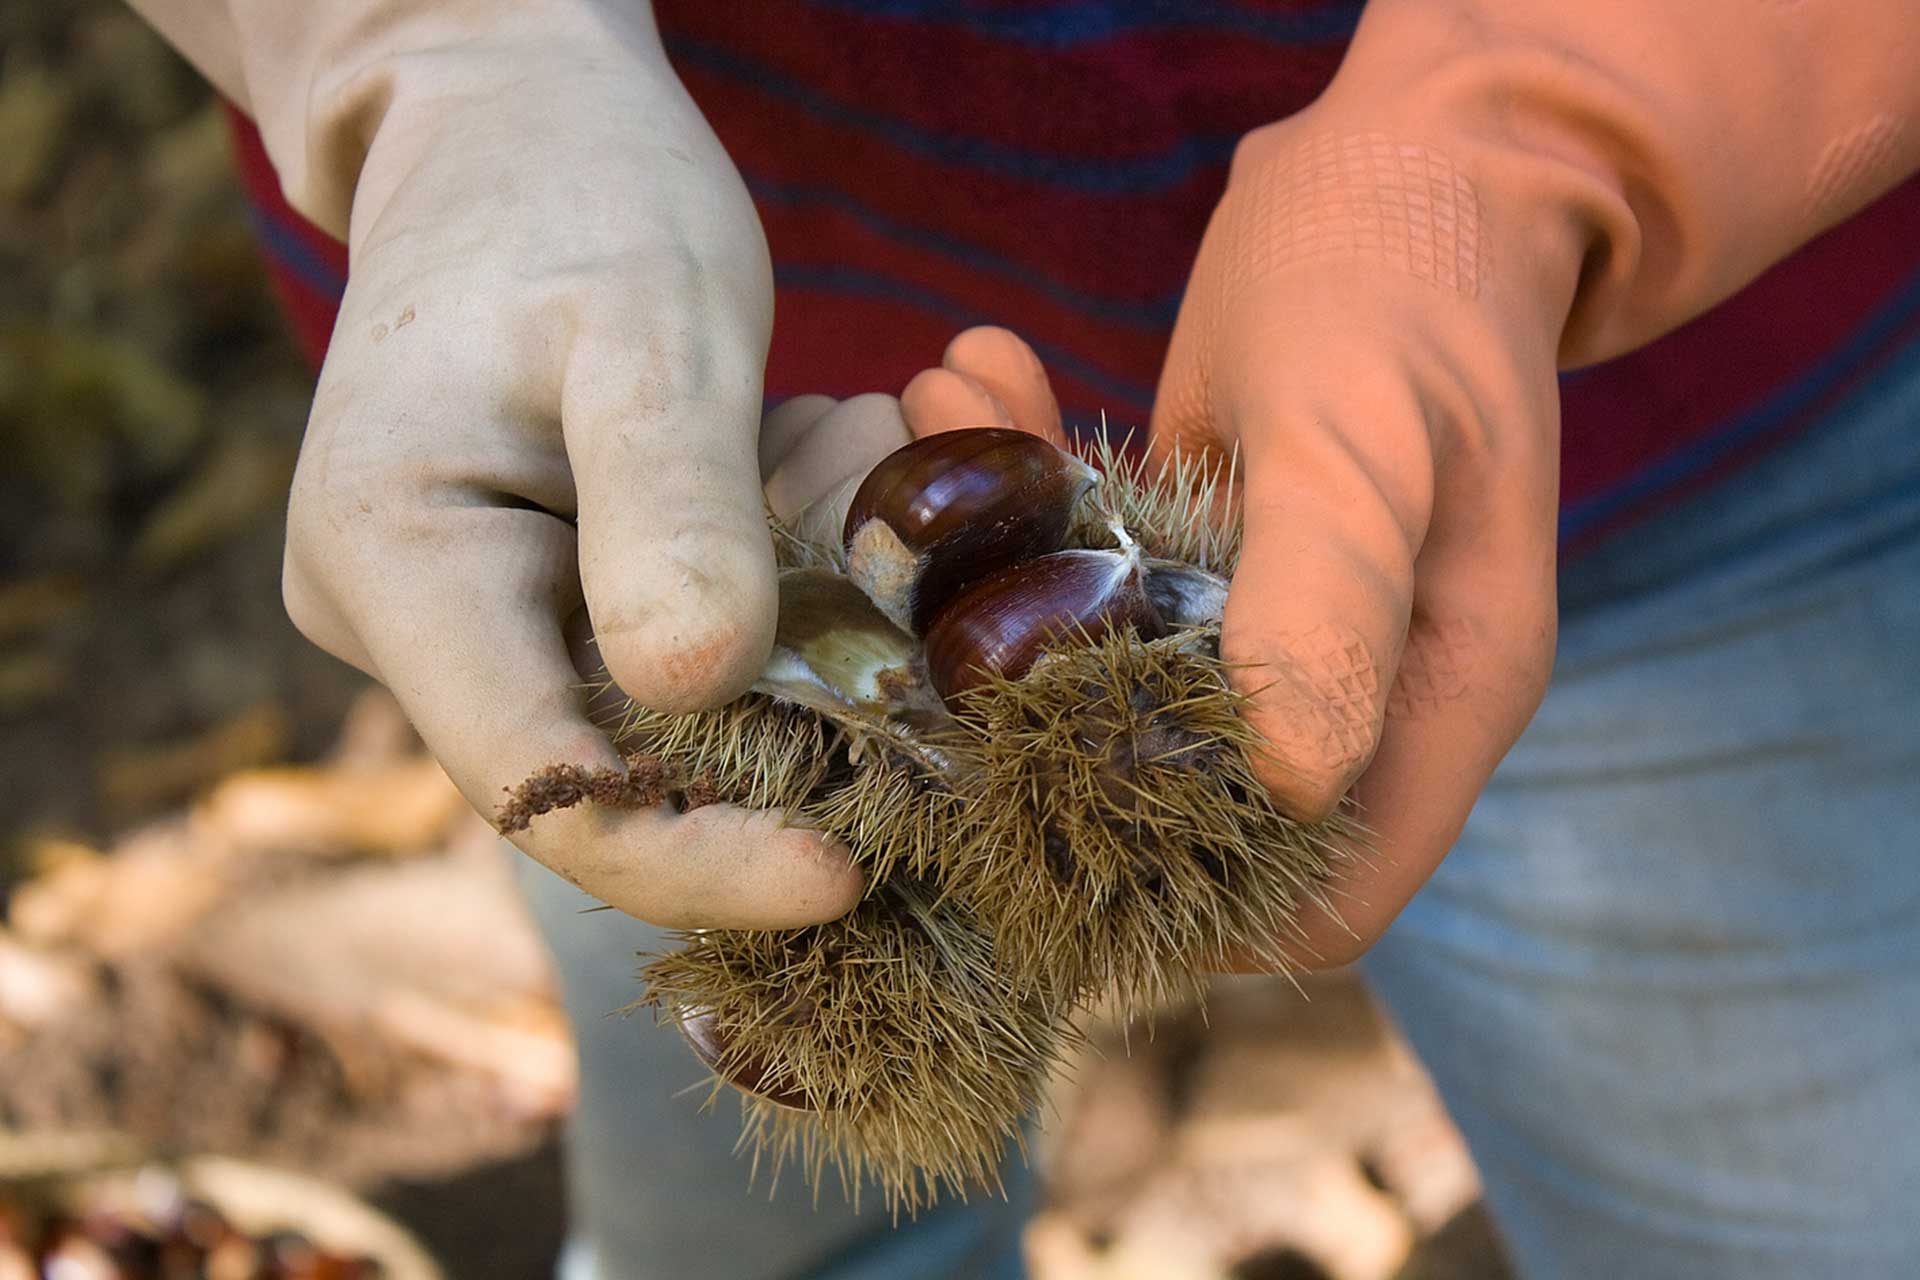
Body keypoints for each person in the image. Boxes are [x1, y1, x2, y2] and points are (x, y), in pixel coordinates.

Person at [127, 0, 1920, 1276]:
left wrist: (1564, 106)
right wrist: (438, 53)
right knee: (759, 1144)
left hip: (1693, 435)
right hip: (645, 438)